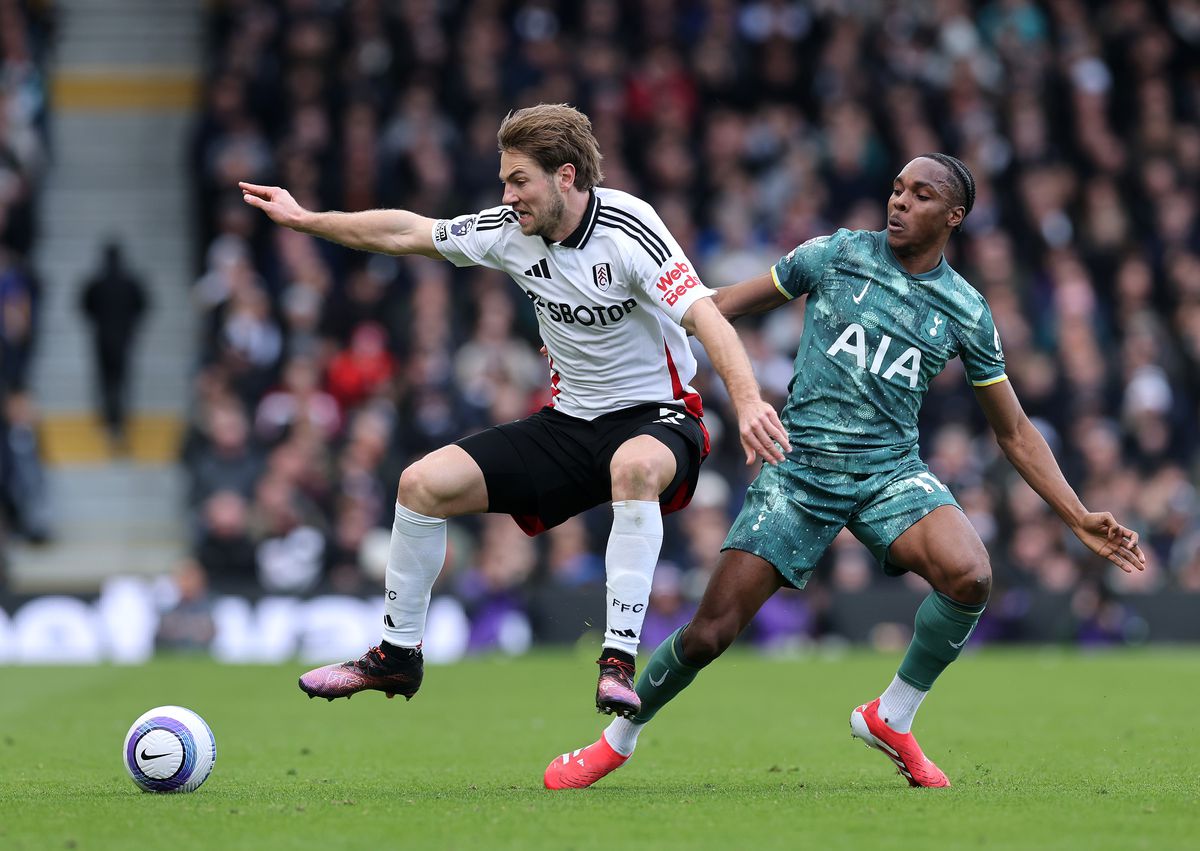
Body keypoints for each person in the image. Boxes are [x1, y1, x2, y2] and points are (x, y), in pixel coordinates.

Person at [543, 153, 1146, 790]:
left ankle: (893, 715)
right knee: (709, 635)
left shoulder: (966, 311)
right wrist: (607, 333)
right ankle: (617, 741)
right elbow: (713, 307)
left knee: (970, 575)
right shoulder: (833, 255)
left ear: (954, 215)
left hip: (889, 473)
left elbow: (1015, 431)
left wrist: (1077, 515)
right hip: (798, 470)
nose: (900, 202)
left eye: (919, 195)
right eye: (896, 189)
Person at [240, 103, 788, 717]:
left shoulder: (630, 228)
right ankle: (397, 657)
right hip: (570, 423)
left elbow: (706, 315)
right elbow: (408, 232)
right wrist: (306, 219)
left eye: (518, 180)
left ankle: (616, 661)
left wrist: (745, 401)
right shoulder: (509, 230)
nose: (507, 195)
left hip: (658, 416)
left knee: (633, 468)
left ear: (567, 176)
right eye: (504, 180)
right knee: (420, 484)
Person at [79, 240, 149, 449]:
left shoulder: (96, 282)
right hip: (124, 338)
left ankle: (111, 419)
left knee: (106, 380)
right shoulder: (130, 282)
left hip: (102, 337)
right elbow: (142, 305)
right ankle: (118, 419)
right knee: (121, 380)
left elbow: (85, 306)